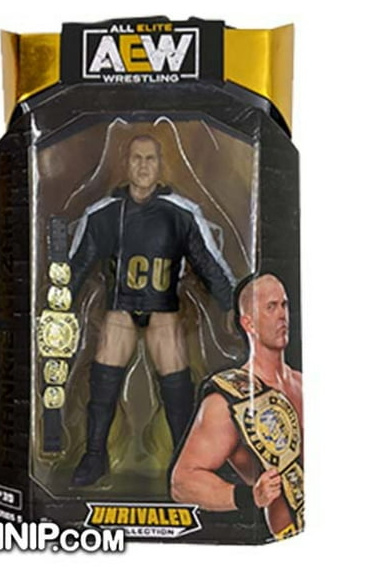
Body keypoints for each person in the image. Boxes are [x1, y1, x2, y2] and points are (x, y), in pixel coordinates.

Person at [68, 134, 235, 486]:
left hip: (163, 308)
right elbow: (76, 267)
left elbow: (209, 264)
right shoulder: (102, 214)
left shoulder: (182, 213)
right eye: (136, 158)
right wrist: (58, 305)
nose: (143, 165)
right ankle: (95, 454)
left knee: (175, 371)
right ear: (125, 163)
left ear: (161, 165)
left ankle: (188, 459)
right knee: (105, 365)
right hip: (120, 308)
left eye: (150, 158)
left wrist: (234, 306)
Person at [170, 274, 303, 539]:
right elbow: (183, 482)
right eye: (271, 307)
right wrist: (248, 496)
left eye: (284, 305)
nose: (282, 315)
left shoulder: (303, 383)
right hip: (285, 540)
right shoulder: (227, 400)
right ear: (248, 323)